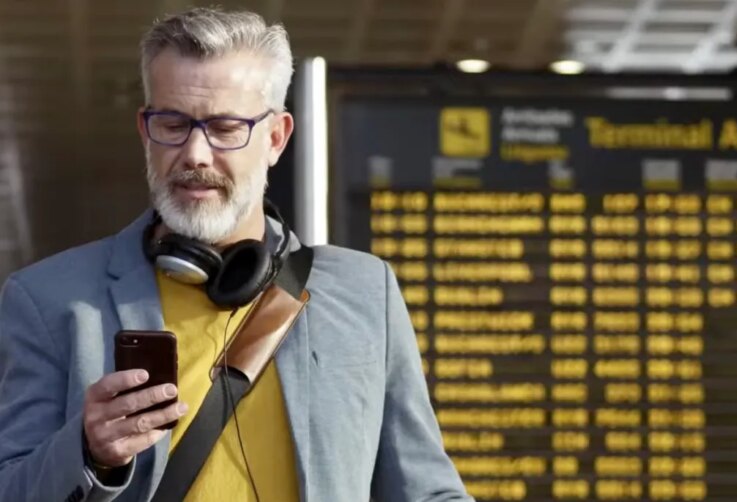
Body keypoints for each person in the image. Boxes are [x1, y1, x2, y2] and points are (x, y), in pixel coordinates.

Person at [0, 7, 473, 502]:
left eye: (225, 127)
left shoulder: (364, 291)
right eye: (173, 123)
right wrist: (87, 451)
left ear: (276, 138)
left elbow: (427, 492)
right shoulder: (49, 299)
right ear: (145, 131)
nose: (196, 154)